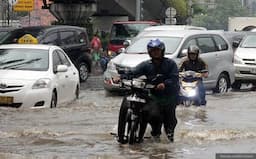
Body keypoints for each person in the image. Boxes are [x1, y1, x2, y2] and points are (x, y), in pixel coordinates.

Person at [116, 39, 180, 143]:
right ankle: (154, 134)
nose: (155, 52)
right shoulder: (146, 65)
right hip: (153, 95)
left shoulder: (170, 64)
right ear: (149, 52)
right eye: (153, 50)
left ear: (162, 51)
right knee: (152, 116)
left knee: (169, 121)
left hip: (169, 96)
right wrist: (121, 77)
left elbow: (174, 78)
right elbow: (133, 72)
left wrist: (164, 84)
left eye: (157, 50)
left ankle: (169, 138)